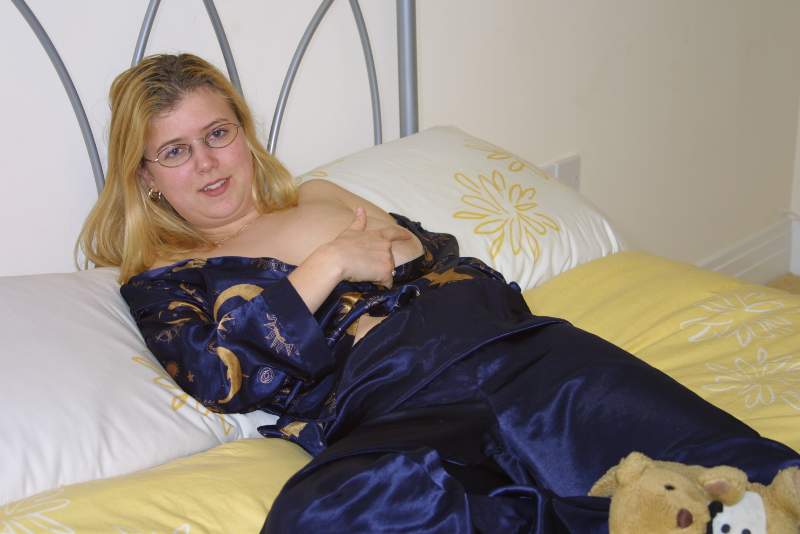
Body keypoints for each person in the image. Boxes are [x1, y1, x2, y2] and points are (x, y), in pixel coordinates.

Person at [79, 53, 799, 533]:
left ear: (244, 132)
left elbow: (431, 255)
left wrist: (392, 254)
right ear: (145, 176)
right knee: (323, 514)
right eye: (175, 151)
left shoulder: (318, 194)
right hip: (385, 402)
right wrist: (331, 260)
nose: (207, 163)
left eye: (218, 133)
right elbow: (219, 374)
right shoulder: (166, 278)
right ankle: (622, 517)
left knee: (738, 467)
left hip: (501, 347)